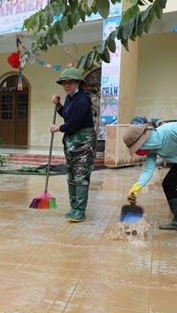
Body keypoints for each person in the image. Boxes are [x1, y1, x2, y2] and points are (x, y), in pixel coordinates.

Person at [49, 67, 96, 222]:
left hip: (83, 141)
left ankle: (80, 211)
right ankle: (73, 207)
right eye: (64, 82)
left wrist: (58, 128)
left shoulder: (83, 100)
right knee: (71, 175)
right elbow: (67, 116)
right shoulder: (69, 98)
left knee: (81, 176)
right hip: (70, 142)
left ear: (78, 83)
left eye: (71, 82)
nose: (67, 85)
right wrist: (59, 106)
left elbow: (73, 124)